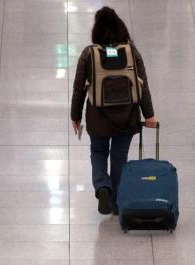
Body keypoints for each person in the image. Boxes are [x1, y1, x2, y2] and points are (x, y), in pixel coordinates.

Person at [70, 7, 157, 216]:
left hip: (98, 117)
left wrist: (75, 115)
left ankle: (102, 188)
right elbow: (142, 85)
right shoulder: (131, 52)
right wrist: (149, 114)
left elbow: (78, 88)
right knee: (119, 157)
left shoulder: (89, 54)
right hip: (126, 117)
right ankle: (117, 203)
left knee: (98, 152)